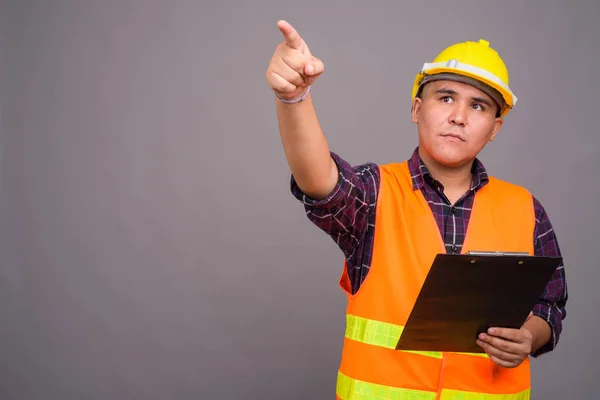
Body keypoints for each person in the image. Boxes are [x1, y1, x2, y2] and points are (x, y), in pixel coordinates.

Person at [265, 20, 568, 399]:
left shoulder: (526, 210)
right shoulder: (374, 195)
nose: (459, 116)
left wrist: (528, 336)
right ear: (416, 108)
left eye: (478, 106)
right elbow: (319, 179)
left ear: (495, 128)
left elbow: (550, 303)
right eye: (446, 98)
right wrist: (294, 98)